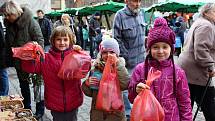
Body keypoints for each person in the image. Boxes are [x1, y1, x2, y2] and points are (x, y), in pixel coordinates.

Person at [128, 17, 192, 121]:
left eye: (165, 47)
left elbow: (184, 102)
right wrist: (136, 89)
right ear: (149, 49)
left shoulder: (178, 72)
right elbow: (131, 98)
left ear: (171, 49)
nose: (160, 51)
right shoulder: (140, 70)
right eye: (155, 47)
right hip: (146, 117)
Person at [21, 26, 85, 121]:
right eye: (58, 39)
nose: (62, 43)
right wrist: (30, 53)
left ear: (70, 40)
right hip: (55, 102)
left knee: (72, 118)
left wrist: (81, 53)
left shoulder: (75, 56)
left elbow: (85, 67)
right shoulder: (46, 58)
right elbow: (30, 67)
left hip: (73, 99)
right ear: (53, 41)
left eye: (65, 39)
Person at [2, 0, 44, 119]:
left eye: (9, 14)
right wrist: (8, 59)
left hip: (33, 61)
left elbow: (40, 40)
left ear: (16, 11)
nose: (8, 17)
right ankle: (27, 108)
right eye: (6, 15)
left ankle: (40, 111)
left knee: (37, 86)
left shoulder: (30, 21)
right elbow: (8, 45)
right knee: (24, 86)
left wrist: (31, 51)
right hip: (19, 62)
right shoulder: (9, 24)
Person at [178, 3, 215, 121]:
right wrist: (210, 67)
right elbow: (201, 50)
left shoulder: (201, 22)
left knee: (189, 103)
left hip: (189, 70)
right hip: (197, 71)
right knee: (209, 104)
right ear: (206, 13)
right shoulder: (207, 25)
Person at [112, 0, 146, 120]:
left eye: (139, 1)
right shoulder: (120, 15)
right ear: (127, 1)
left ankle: (140, 113)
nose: (137, 4)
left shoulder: (142, 13)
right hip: (128, 63)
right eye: (134, 1)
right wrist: (125, 56)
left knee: (141, 88)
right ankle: (128, 115)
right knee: (127, 90)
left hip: (142, 60)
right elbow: (116, 38)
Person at [82, 37, 129, 121]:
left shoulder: (119, 67)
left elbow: (125, 84)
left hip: (115, 114)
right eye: (104, 52)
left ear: (117, 54)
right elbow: (89, 93)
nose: (108, 55)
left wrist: (117, 64)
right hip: (97, 114)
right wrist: (87, 84)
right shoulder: (95, 68)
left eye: (112, 52)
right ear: (100, 54)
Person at [0, 21, 9, 96]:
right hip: (2, 54)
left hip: (1, 55)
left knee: (3, 74)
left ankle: (3, 95)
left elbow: (2, 42)